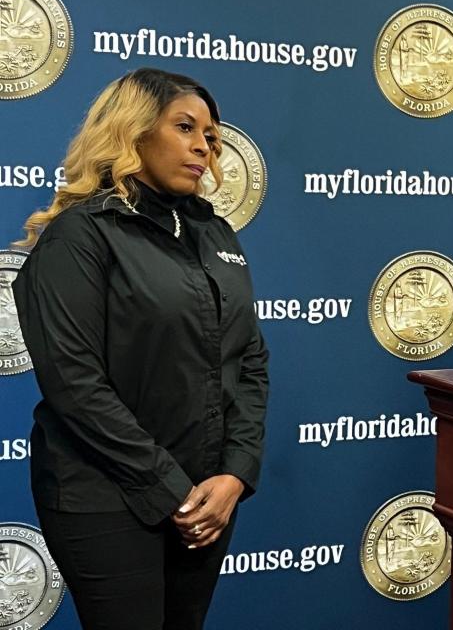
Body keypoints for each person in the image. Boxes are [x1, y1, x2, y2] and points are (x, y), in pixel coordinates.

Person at [12, 68, 269, 630]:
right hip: (105, 499)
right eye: (185, 126)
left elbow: (249, 360)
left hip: (205, 499)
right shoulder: (79, 235)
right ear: (133, 131)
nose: (204, 145)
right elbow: (75, 384)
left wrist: (234, 474)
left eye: (212, 135)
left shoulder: (215, 233)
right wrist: (171, 489)